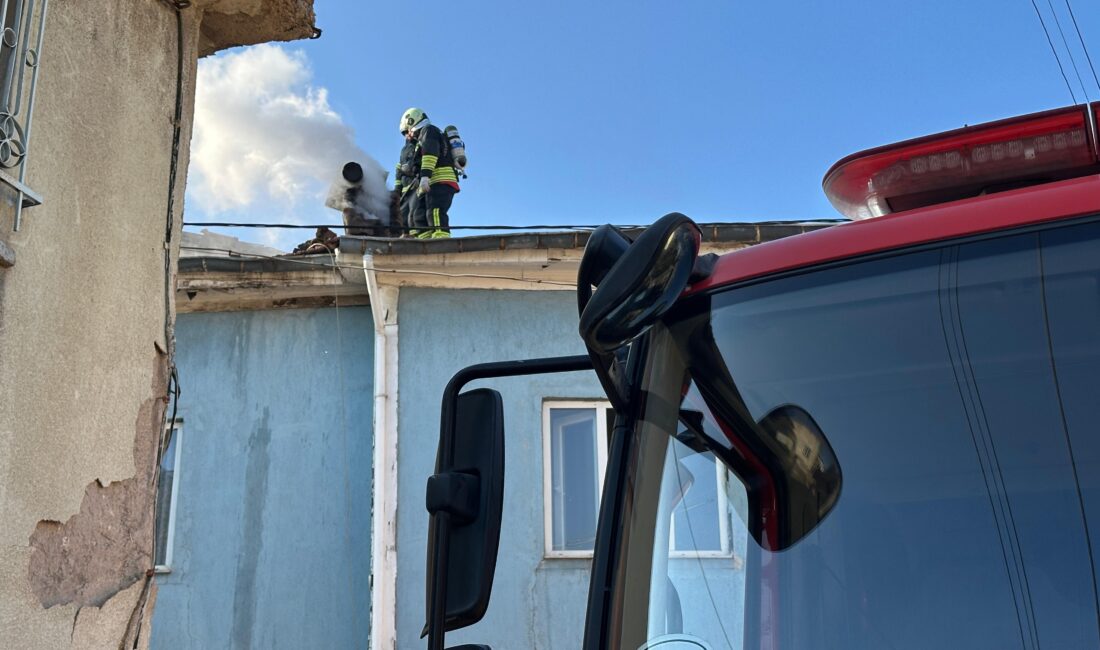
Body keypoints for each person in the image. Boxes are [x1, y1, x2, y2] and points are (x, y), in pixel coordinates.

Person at [400, 107, 459, 239]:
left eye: (406, 131)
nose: (407, 135)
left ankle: (440, 239)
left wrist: (425, 176)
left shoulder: (429, 130)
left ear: (411, 122)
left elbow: (430, 154)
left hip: (440, 180)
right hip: (430, 182)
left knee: (435, 210)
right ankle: (424, 242)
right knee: (419, 215)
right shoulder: (420, 140)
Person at [394, 126, 424, 236]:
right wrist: (397, 189)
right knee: (402, 216)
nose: (407, 134)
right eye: (404, 133)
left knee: (414, 214)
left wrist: (419, 176)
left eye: (408, 131)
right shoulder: (404, 150)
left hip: (416, 186)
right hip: (405, 191)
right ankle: (406, 238)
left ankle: (416, 238)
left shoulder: (420, 143)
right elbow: (399, 168)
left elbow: (421, 162)